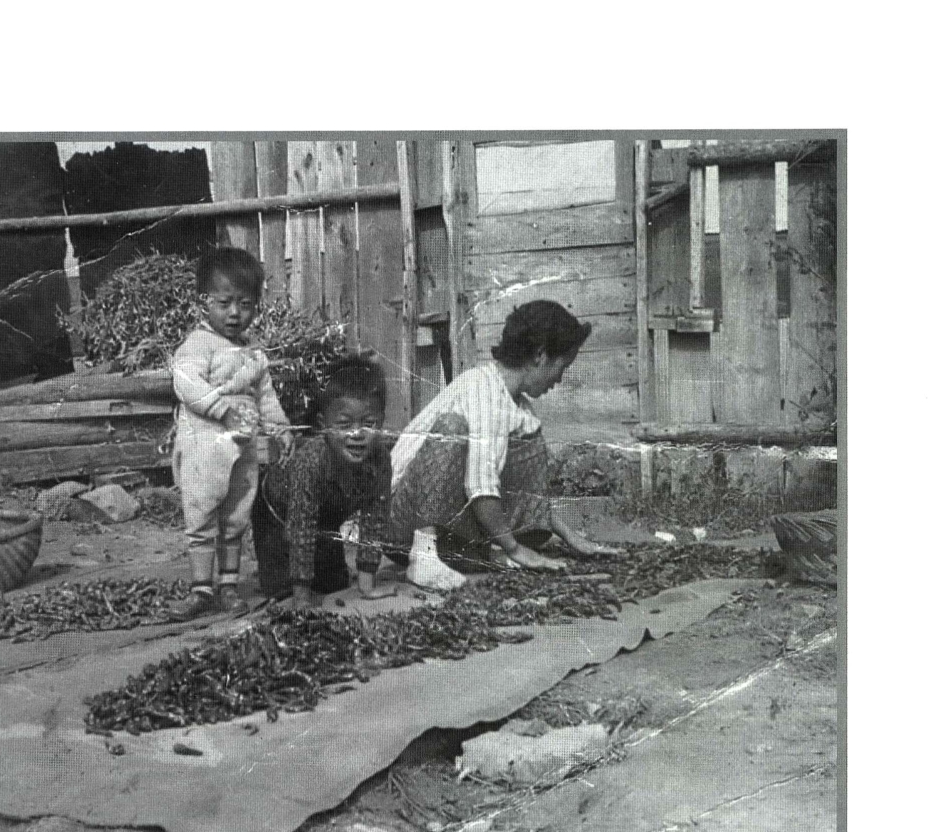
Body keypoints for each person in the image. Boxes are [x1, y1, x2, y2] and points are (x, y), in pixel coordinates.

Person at [388, 298, 612, 591]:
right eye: (562, 366)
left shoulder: (519, 407)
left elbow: (527, 493)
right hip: (399, 519)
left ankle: (477, 553)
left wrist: (572, 537)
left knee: (529, 440)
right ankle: (424, 555)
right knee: (451, 427)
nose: (559, 378)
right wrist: (514, 549)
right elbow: (480, 485)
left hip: (443, 515)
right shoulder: (483, 389)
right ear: (540, 355)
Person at [169, 247, 292, 619]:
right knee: (202, 512)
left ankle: (228, 586)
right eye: (224, 304)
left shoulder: (254, 353)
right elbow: (187, 384)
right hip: (204, 445)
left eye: (245, 304)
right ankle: (200, 588)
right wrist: (222, 410)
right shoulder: (198, 344)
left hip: (242, 448)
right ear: (204, 302)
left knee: (237, 515)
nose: (235, 313)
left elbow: (266, 395)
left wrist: (280, 427)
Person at [251, 356, 397, 608]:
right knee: (283, 591)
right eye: (344, 425)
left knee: (334, 585)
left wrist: (367, 586)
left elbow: (374, 520)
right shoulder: (312, 461)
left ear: (382, 422)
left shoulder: (380, 460)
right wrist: (301, 599)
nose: (357, 434)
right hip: (276, 513)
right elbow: (301, 527)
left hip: (325, 519)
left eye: (369, 424)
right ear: (323, 426)